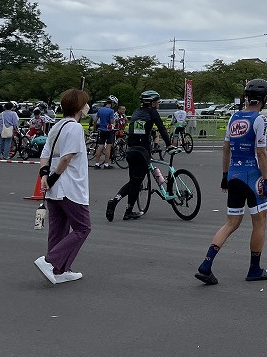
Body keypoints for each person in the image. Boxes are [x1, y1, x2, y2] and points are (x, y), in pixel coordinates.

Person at [195, 79, 267, 285]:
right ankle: (254, 269)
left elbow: (226, 148)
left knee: (231, 222)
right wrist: (266, 180)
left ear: (247, 98)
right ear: (264, 99)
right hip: (252, 176)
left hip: (233, 174)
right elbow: (261, 152)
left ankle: (206, 264)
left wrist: (224, 176)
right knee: (259, 222)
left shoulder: (233, 117)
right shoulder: (259, 120)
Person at [34, 88, 92, 285]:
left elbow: (44, 154)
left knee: (58, 228)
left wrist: (45, 176)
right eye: (85, 103)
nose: (87, 106)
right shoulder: (75, 128)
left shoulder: (57, 126)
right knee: (83, 227)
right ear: (79, 106)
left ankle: (60, 269)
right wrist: (53, 177)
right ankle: (50, 261)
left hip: (55, 187)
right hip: (70, 186)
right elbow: (67, 157)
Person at [105, 90, 173, 221]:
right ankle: (114, 201)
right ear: (151, 103)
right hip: (142, 151)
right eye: (157, 101)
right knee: (135, 182)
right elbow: (162, 128)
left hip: (131, 150)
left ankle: (128, 211)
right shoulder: (152, 112)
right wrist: (169, 145)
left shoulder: (137, 112)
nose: (158, 103)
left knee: (135, 182)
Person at [92, 96, 118, 169]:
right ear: (112, 103)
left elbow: (95, 120)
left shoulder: (100, 110)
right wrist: (114, 124)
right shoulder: (111, 111)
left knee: (100, 146)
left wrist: (94, 129)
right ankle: (106, 164)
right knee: (108, 147)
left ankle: (97, 164)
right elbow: (111, 121)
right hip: (109, 131)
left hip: (102, 130)